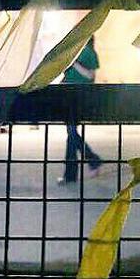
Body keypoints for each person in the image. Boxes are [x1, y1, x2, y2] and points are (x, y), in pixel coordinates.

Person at [59, 37, 103, 184]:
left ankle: (91, 161)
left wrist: (75, 63)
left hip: (80, 96)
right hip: (67, 94)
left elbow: (90, 75)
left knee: (71, 133)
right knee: (71, 135)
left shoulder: (90, 52)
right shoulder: (73, 52)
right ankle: (72, 174)